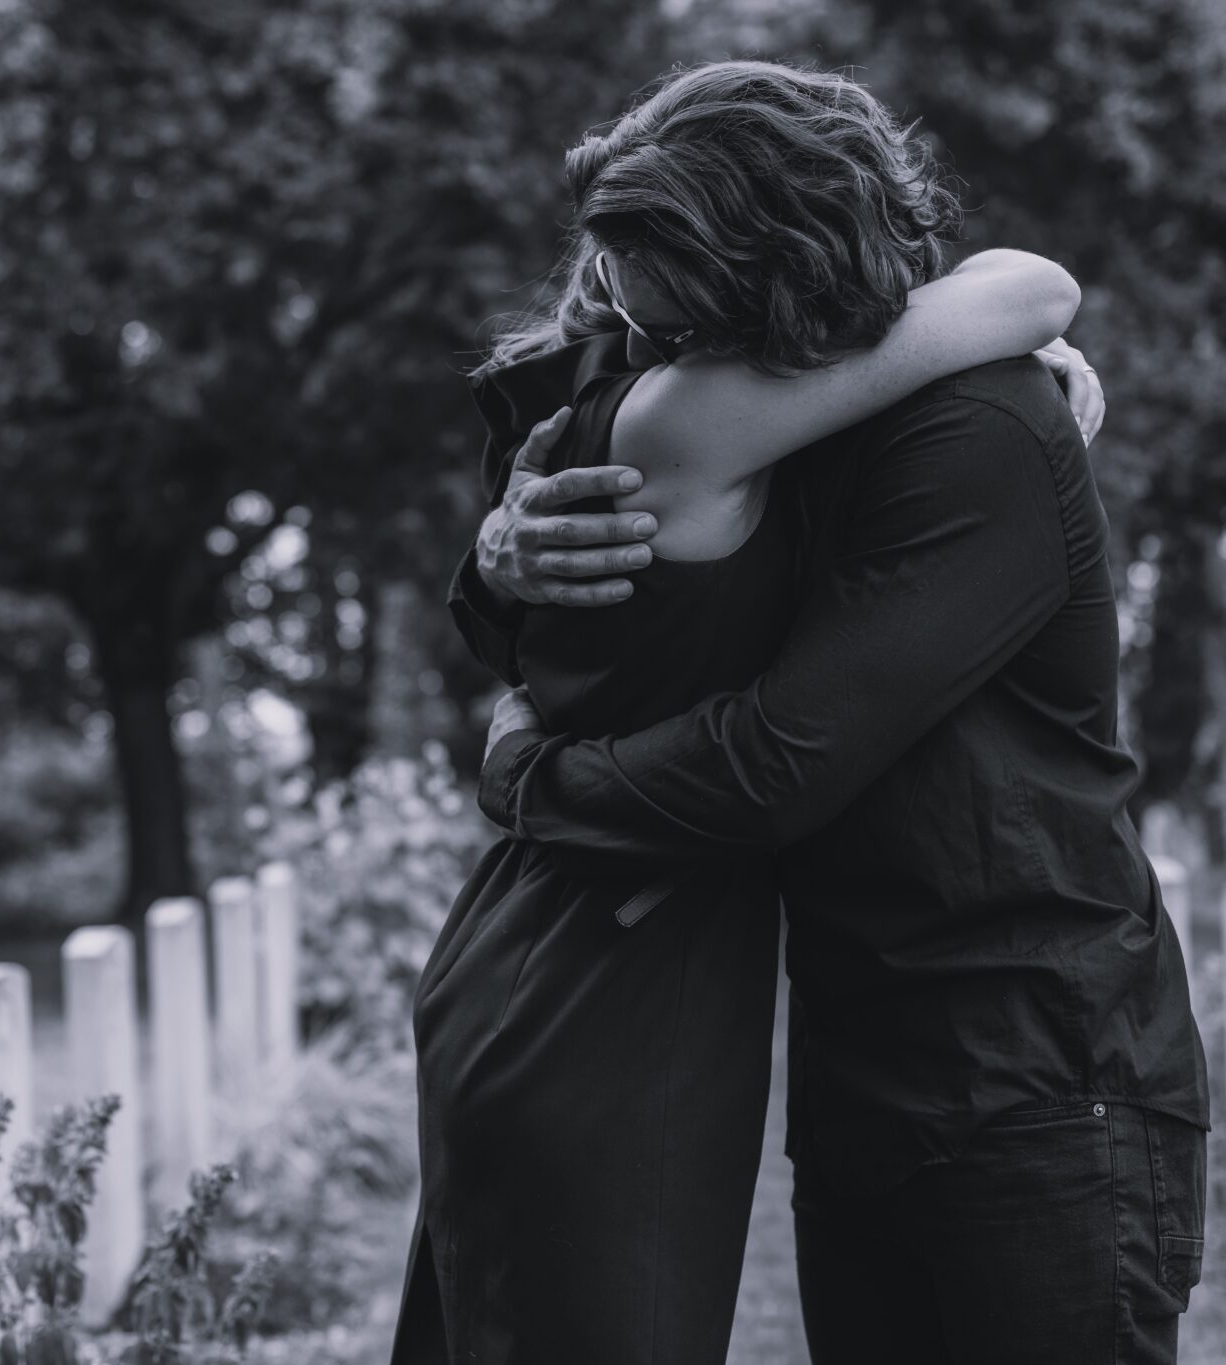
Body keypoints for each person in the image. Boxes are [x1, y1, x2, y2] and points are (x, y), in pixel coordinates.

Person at [391, 60, 1158, 1365]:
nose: (653, 351)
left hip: (1033, 1067)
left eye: (677, 319)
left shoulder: (973, 424)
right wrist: (504, 560)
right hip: (843, 1050)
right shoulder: (765, 414)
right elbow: (1029, 284)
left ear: (764, 266)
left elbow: (770, 763)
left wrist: (529, 772)